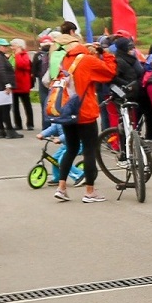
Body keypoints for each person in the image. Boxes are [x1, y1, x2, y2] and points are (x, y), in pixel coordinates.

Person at [51, 38, 118, 203]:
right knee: (89, 151)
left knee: (71, 149)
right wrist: (105, 54)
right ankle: (90, 191)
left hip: (67, 111)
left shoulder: (65, 59)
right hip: (84, 112)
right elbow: (110, 72)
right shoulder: (88, 60)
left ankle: (61, 188)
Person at [0, 38, 20, 139]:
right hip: (2, 86)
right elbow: (1, 71)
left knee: (0, 109)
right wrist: (7, 84)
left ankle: (1, 130)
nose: (6, 48)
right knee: (5, 109)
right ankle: (9, 130)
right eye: (4, 46)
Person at [11, 38, 35, 131]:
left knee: (27, 104)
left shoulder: (24, 55)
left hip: (23, 83)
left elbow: (21, 65)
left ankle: (30, 123)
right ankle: (18, 124)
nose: (12, 48)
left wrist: (17, 55)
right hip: (15, 83)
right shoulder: (12, 56)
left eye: (14, 46)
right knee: (15, 106)